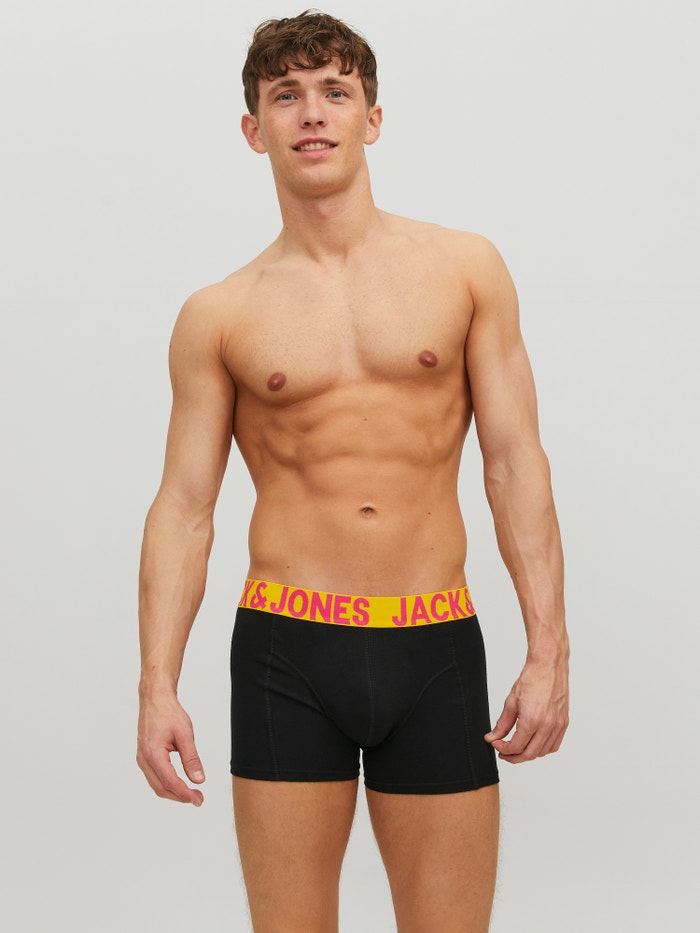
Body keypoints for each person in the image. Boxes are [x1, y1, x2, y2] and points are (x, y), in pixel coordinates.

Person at [137, 10, 569, 932]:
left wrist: (549, 650)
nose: (312, 113)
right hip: (287, 648)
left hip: (434, 641)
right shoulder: (219, 314)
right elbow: (184, 506)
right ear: (253, 129)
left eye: (335, 91)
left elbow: (513, 463)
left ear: (373, 118)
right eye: (285, 95)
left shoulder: (465, 270)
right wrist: (156, 684)